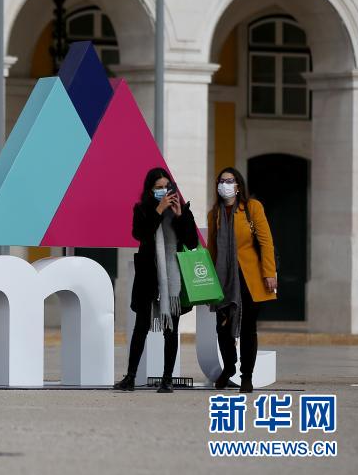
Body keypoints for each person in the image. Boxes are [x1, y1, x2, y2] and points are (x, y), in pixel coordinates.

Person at [115, 168, 199, 393]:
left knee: (170, 329)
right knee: (141, 327)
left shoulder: (182, 209)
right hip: (148, 276)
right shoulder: (142, 209)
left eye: (166, 187)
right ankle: (130, 377)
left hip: (173, 278)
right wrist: (158, 210)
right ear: (150, 190)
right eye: (158, 188)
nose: (163, 191)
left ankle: (167, 379)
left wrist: (180, 216)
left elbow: (192, 242)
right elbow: (140, 235)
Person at [207, 167, 277, 393]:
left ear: (238, 186)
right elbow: (212, 249)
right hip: (223, 278)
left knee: (248, 328)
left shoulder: (252, 208)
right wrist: (208, 281)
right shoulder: (214, 213)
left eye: (229, 181)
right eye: (221, 181)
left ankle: (247, 375)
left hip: (249, 278)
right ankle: (229, 367)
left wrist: (269, 273)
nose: (225, 185)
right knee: (222, 328)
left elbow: (266, 242)